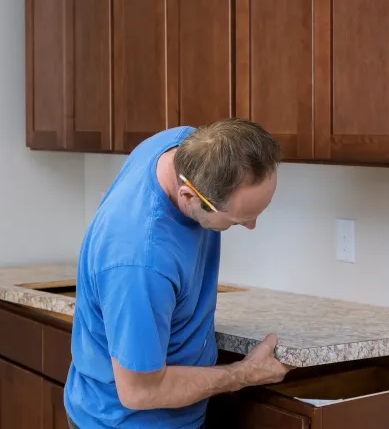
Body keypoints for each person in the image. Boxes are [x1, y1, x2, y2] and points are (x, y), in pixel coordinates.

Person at [64, 118, 292, 428]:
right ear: (188, 197)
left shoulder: (183, 145)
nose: (251, 226)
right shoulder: (140, 262)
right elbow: (139, 392)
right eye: (239, 220)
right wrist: (243, 374)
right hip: (123, 421)